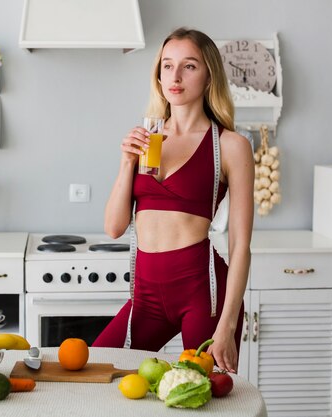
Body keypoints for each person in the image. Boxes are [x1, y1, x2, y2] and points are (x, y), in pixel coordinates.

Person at [92, 27, 254, 373]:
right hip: (145, 295)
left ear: (209, 75)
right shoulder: (146, 139)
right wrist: (125, 162)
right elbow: (113, 227)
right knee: (97, 369)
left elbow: (240, 246)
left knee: (201, 396)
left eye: (189, 66)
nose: (175, 76)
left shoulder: (230, 146)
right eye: (167, 66)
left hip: (203, 294)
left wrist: (225, 326)